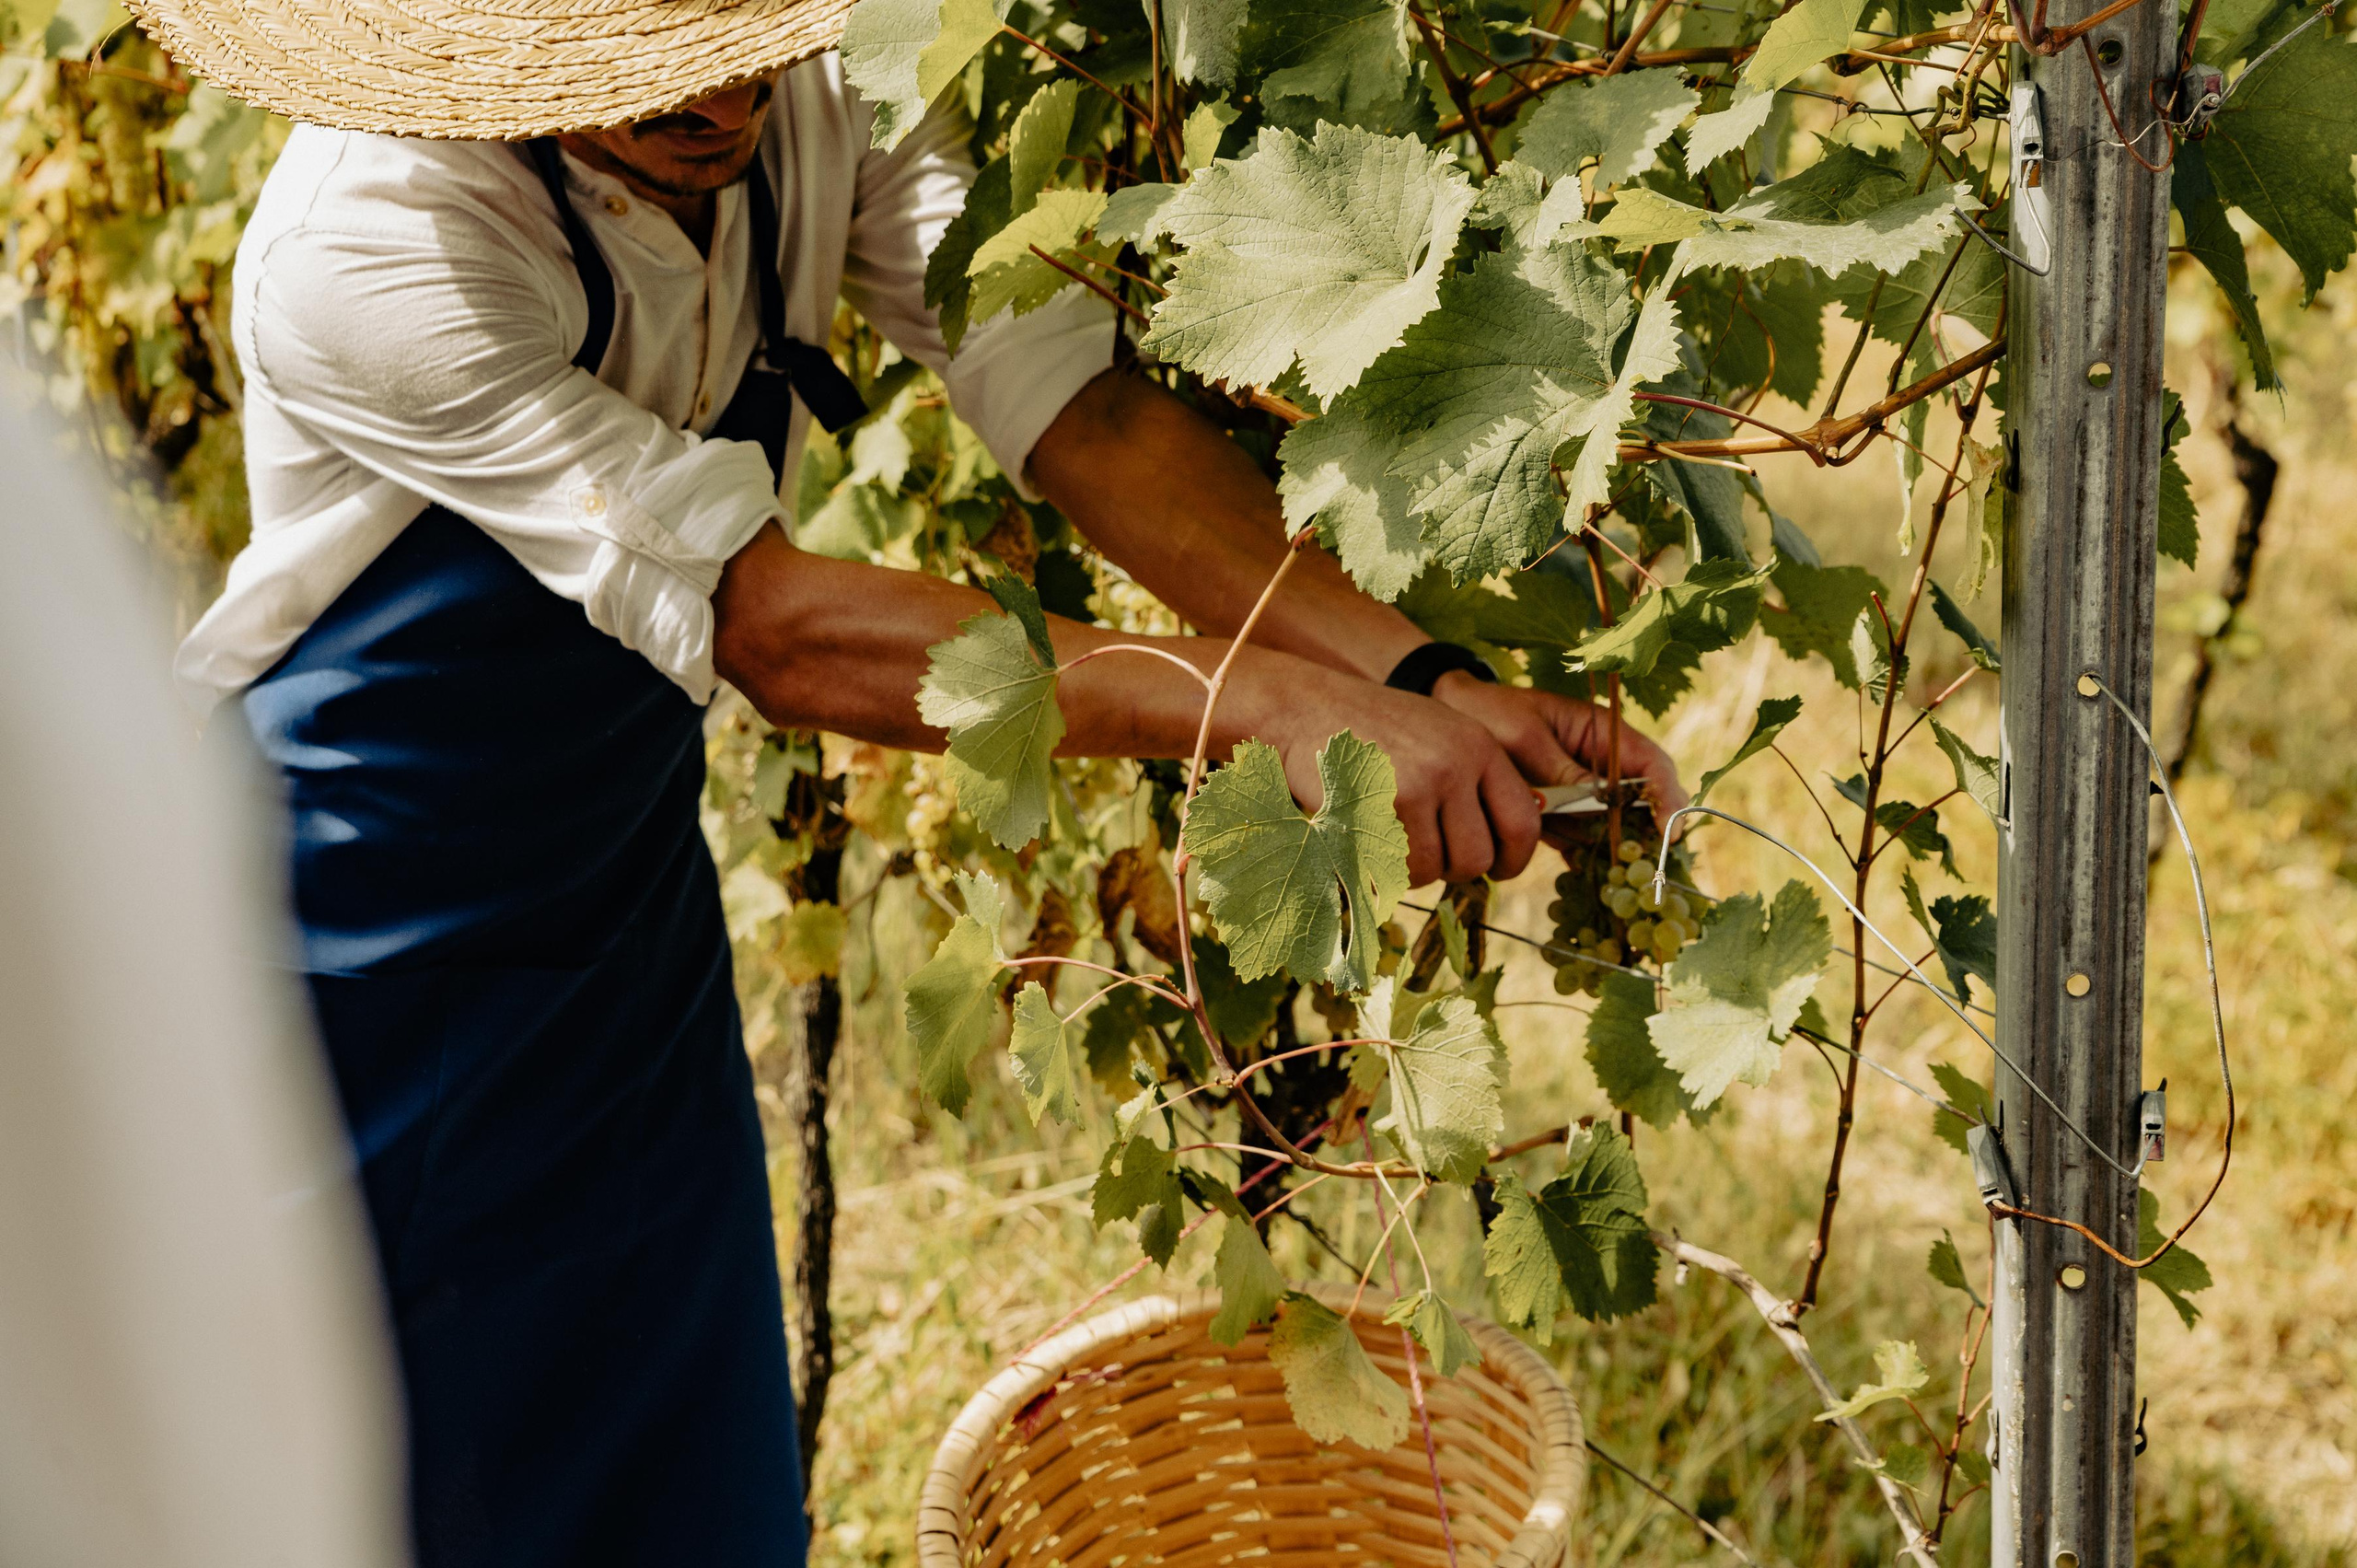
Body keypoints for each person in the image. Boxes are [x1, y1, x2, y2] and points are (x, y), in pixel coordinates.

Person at [131, 0, 1685, 1562]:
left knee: (681, 1496)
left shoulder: (827, 90)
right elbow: (774, 630)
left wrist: (1415, 682)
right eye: (645, 62)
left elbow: (1080, 409)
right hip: (336, 969)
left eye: (734, 29)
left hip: (614, 929)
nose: (720, 91)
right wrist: (1260, 706)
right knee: (342, 1497)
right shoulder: (370, 249)